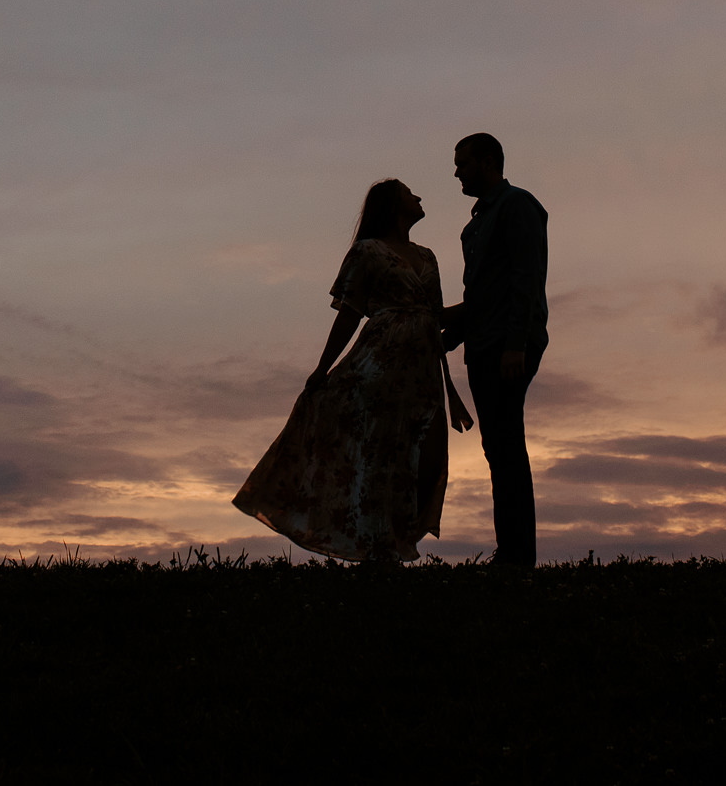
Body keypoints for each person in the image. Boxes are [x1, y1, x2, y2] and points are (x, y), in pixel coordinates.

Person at [232, 179, 472, 561]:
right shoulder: (367, 251)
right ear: (392, 205)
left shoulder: (428, 256)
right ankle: (379, 549)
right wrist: (322, 368)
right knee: (382, 454)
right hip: (380, 362)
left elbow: (436, 315)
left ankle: (394, 540)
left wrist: (478, 303)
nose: (418, 196)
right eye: (409, 192)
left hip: (423, 370)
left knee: (422, 456)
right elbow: (349, 313)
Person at [441, 133, 549, 567]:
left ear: (488, 162)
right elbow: (484, 295)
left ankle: (517, 557)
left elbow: (526, 277)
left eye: (462, 164)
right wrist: (448, 331)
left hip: (506, 345)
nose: (456, 173)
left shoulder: (517, 205)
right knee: (498, 448)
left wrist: (515, 345)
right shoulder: (475, 224)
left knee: (506, 446)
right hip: (484, 344)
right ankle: (513, 553)